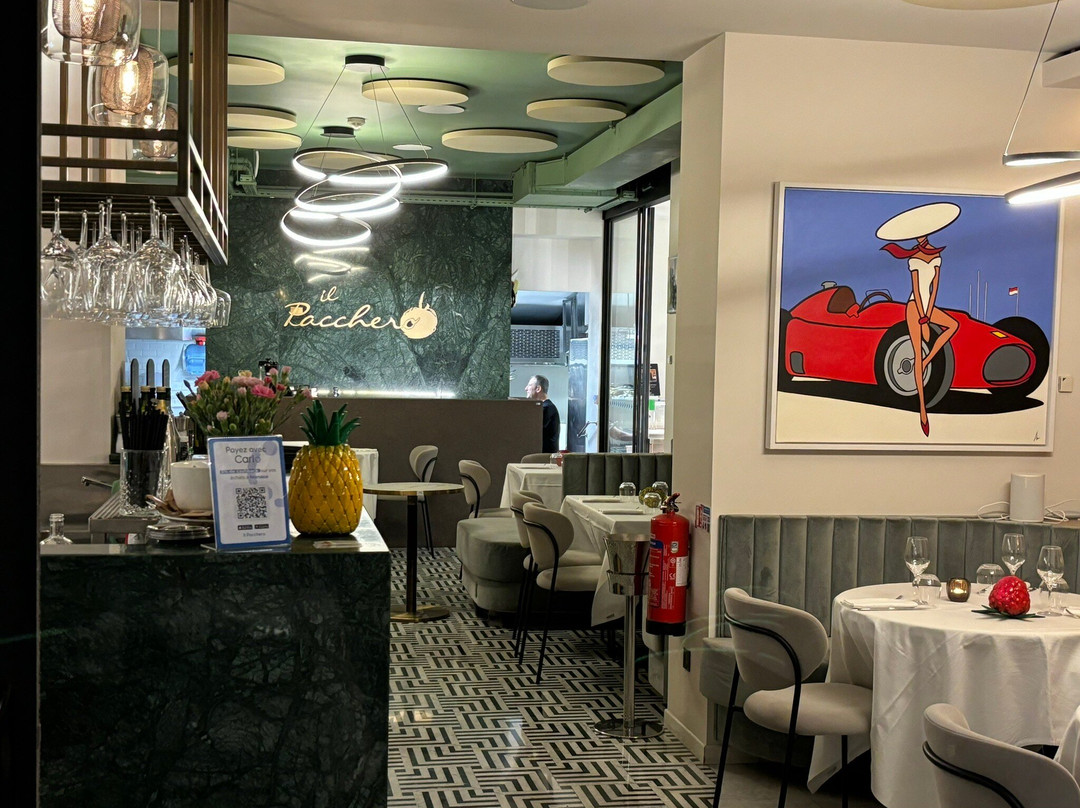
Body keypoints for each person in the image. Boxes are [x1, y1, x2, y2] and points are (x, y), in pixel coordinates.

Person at [880, 224, 960, 438]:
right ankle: (923, 410)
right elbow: (916, 288)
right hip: (914, 306)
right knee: (916, 352)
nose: (918, 237)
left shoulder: (937, 257)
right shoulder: (913, 258)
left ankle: (927, 361)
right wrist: (922, 316)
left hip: (928, 308)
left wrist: (929, 313)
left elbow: (934, 288)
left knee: (953, 325)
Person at [525, 374, 560, 453]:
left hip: (543, 457)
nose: (526, 388)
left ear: (538, 389)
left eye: (529, 385)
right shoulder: (546, 407)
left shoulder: (546, 408)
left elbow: (532, 433)